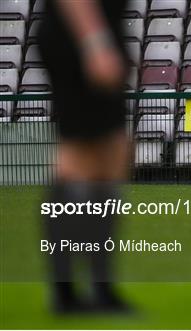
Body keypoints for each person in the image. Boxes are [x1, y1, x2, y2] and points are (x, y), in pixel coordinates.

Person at [38, 0, 130, 312]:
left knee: (110, 158)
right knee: (79, 159)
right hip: (82, 35)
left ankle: (95, 289)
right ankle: (71, 292)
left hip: (94, 31)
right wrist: (95, 42)